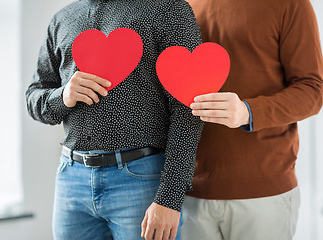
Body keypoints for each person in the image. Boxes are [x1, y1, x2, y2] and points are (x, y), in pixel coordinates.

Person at [25, 0, 203, 239]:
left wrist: (170, 197)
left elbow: (187, 108)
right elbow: (34, 96)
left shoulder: (167, 9)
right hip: (71, 178)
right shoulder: (62, 19)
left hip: (143, 178)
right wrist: (63, 96)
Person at [180, 0, 323, 239]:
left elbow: (312, 90)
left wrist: (248, 112)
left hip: (263, 193)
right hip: (186, 193)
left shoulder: (290, 3)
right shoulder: (177, 4)